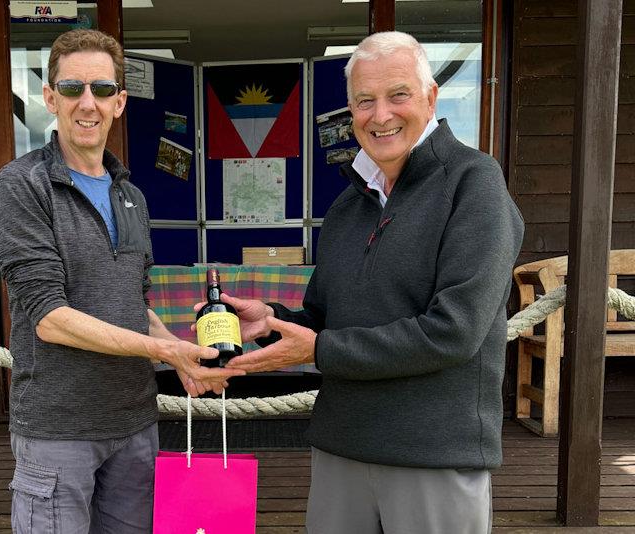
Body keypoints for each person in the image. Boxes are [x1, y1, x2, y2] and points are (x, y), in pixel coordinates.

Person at [215, 32, 524, 533]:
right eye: (364, 101)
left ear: (429, 98)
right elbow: (322, 319)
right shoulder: (346, 205)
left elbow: (455, 331)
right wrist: (274, 321)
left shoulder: (475, 182)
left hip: (434, 455)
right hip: (342, 449)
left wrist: (318, 349)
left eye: (397, 94)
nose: (380, 115)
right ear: (350, 110)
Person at [0, 29, 242, 534]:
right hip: (60, 430)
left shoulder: (132, 197)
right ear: (49, 97)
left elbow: (131, 301)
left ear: (119, 102)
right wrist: (166, 353)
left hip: (135, 426)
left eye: (101, 89)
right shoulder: (22, 186)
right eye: (73, 87)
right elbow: (50, 320)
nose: (88, 103)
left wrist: (179, 351)